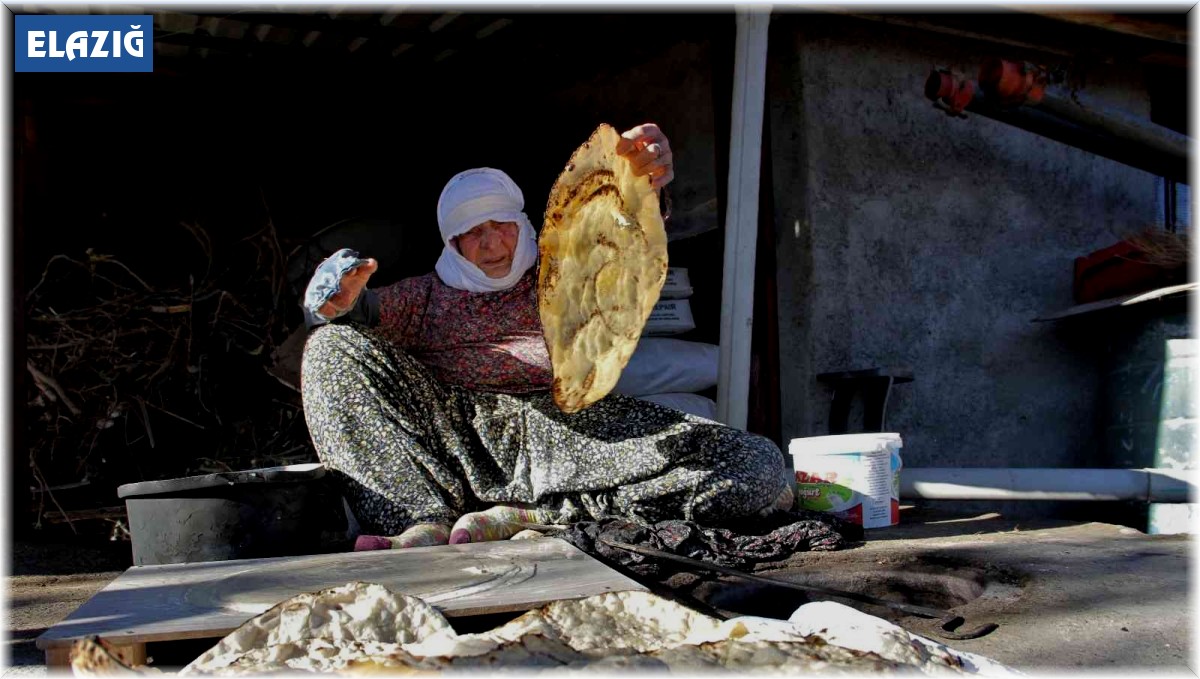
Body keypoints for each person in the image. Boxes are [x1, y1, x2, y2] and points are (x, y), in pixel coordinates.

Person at [300, 124, 792, 551]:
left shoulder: (566, 273)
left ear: (521, 222)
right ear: (451, 244)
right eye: (471, 234)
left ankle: (541, 515)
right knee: (329, 346)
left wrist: (644, 177)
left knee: (754, 466)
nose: (491, 244)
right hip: (460, 438)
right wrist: (338, 301)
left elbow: (624, 233)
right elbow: (361, 312)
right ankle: (419, 520)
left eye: (501, 226)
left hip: (565, 435)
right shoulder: (427, 296)